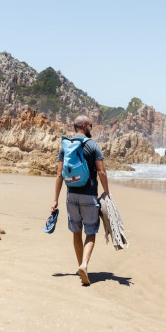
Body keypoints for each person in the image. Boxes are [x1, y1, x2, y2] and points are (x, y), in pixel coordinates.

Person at [51, 115, 110, 286]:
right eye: (90, 125)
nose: (91, 127)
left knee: (76, 232)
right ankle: (84, 264)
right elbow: (101, 172)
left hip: (71, 196)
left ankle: (79, 267)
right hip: (89, 196)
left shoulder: (65, 145)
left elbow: (59, 175)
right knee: (90, 232)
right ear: (84, 126)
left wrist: (55, 200)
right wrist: (107, 193)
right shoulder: (93, 145)